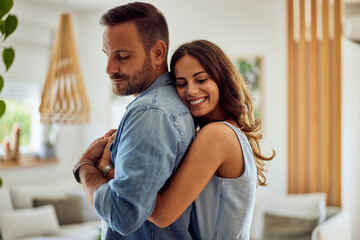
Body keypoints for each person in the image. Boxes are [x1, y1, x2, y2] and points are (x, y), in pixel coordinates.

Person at [99, 40, 276, 239]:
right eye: (181, 83)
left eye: (201, 80)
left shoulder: (217, 135)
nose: (191, 90)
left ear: (221, 79)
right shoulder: (227, 132)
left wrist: (107, 169)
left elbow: (161, 214)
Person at [72, 2, 195, 239]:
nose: (109, 68)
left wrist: (85, 166)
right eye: (107, 55)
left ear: (158, 53)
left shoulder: (150, 112)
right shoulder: (169, 104)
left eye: (123, 56)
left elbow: (122, 215)